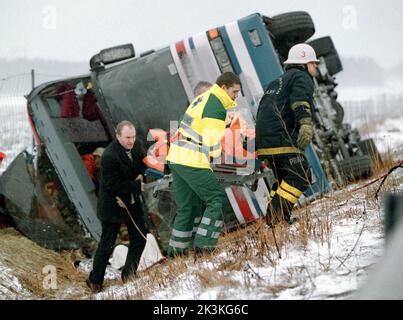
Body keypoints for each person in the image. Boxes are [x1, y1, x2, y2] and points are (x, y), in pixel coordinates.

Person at [166, 72, 241, 257]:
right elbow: (212, 144)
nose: (236, 96)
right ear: (224, 88)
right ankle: (204, 246)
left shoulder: (203, 99)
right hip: (192, 158)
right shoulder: (215, 106)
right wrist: (218, 161)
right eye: (234, 91)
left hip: (176, 157)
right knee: (217, 198)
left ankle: (177, 254)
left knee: (188, 207)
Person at [256, 43, 318, 225]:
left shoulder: (278, 81)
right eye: (313, 63)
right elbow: (300, 102)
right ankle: (275, 220)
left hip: (266, 142)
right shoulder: (301, 77)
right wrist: (306, 124)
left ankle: (279, 220)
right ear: (303, 64)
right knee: (301, 176)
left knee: (285, 179)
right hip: (281, 139)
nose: (316, 66)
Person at [86, 121, 148, 293]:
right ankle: (94, 280)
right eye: (127, 137)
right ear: (118, 136)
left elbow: (143, 164)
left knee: (140, 237)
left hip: (132, 202)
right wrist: (135, 185)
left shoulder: (138, 146)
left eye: (133, 137)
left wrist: (143, 175)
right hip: (112, 204)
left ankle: (129, 274)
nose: (131, 141)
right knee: (107, 244)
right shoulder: (108, 156)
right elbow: (112, 184)